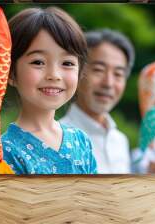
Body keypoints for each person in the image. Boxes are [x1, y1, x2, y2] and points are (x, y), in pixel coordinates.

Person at [0, 7, 97, 174]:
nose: (54, 75)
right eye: (38, 62)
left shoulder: (80, 140)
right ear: (9, 72)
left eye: (67, 63)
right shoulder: (5, 151)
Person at [60, 29, 134, 174]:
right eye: (99, 70)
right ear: (77, 72)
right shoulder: (57, 138)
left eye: (118, 74)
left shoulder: (120, 141)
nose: (109, 83)